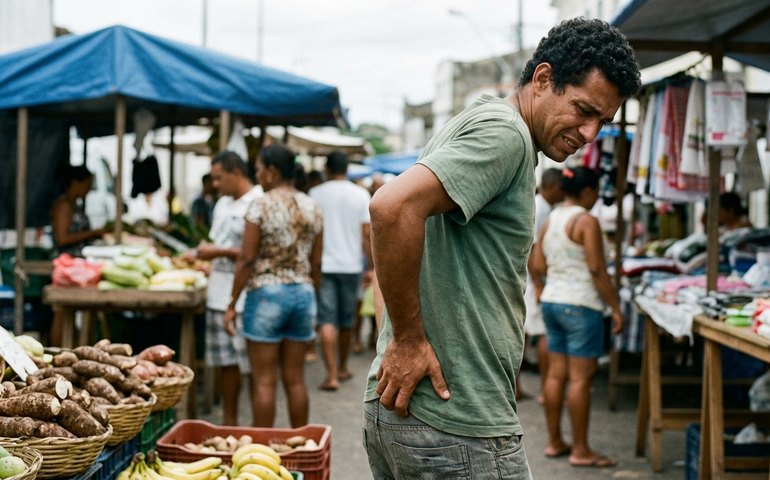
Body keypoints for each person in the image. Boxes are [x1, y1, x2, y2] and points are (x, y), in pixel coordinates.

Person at [362, 18, 640, 478]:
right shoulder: (504, 134)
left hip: (422, 415)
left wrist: (398, 344)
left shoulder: (486, 123)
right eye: (583, 110)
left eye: (602, 122)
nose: (591, 133)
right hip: (455, 423)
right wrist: (407, 342)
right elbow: (390, 209)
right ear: (544, 78)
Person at [530, 166, 624, 468]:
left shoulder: (551, 219)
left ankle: (555, 440)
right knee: (581, 379)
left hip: (553, 302)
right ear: (586, 191)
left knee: (556, 374)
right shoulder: (586, 221)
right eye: (595, 191)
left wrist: (545, 287)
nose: (596, 198)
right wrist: (616, 307)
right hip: (581, 304)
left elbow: (537, 263)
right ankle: (581, 449)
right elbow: (597, 269)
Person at [225, 143, 323, 428]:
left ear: (272, 171)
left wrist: (232, 304)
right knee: (295, 380)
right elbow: (317, 265)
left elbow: (246, 259)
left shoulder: (260, 204)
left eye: (258, 169)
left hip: (266, 295)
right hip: (303, 294)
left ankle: (261, 456)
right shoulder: (312, 206)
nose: (257, 176)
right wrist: (311, 299)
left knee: (264, 381)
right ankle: (302, 449)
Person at [187, 151, 262, 426]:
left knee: (254, 369)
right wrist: (207, 259)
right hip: (218, 294)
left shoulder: (257, 201)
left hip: (246, 296)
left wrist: (216, 251)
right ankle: (229, 422)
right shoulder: (221, 204)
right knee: (226, 365)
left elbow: (253, 252)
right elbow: (222, 246)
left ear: (236, 173)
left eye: (219, 177)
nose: (214, 183)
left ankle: (257, 427)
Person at [309, 152, 372, 391]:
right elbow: (366, 235)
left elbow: (311, 234)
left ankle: (331, 375)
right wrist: (370, 266)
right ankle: (343, 366)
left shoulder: (315, 194)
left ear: (327, 168)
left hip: (324, 266)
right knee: (347, 320)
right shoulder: (360, 194)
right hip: (351, 265)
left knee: (326, 319)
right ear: (347, 168)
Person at [49, 165, 107, 346]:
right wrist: (92, 233)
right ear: (76, 183)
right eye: (88, 184)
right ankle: (57, 351)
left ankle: (73, 348)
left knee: (71, 313)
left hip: (77, 267)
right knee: (61, 313)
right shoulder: (64, 206)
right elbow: (62, 238)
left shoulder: (75, 205)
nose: (89, 189)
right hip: (66, 268)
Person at [522, 167, 564, 403]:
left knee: (528, 332)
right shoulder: (540, 208)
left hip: (534, 277)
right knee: (540, 332)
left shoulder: (546, 207)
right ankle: (547, 391)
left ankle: (522, 387)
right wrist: (538, 283)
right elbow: (531, 248)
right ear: (552, 187)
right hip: (533, 278)